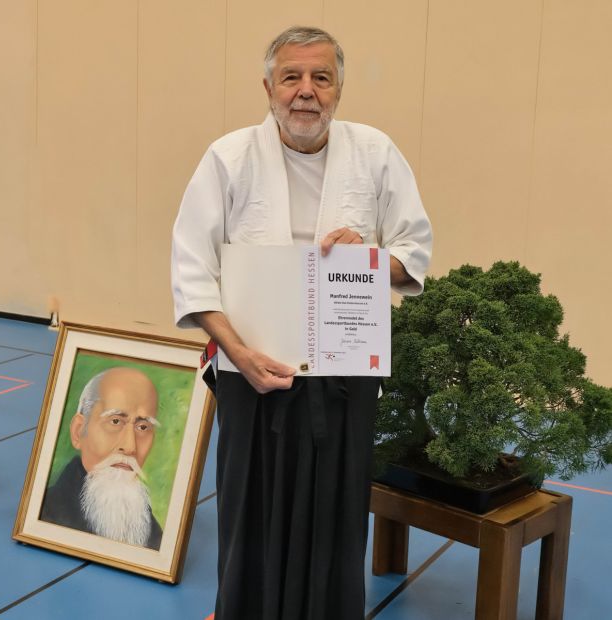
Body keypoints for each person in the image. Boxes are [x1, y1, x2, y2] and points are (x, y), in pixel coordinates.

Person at [171, 26, 432, 620]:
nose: (305, 92)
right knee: (249, 506)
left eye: (321, 77)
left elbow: (413, 250)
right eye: (291, 77)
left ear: (339, 89)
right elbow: (192, 268)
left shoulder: (376, 153)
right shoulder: (228, 158)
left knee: (337, 511)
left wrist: (370, 255)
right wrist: (237, 353)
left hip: (344, 371)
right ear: (268, 86)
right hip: (248, 365)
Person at [40, 366, 163, 550]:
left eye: (143, 427)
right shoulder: (46, 513)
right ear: (78, 431)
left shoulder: (152, 533)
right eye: (115, 421)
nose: (130, 447)